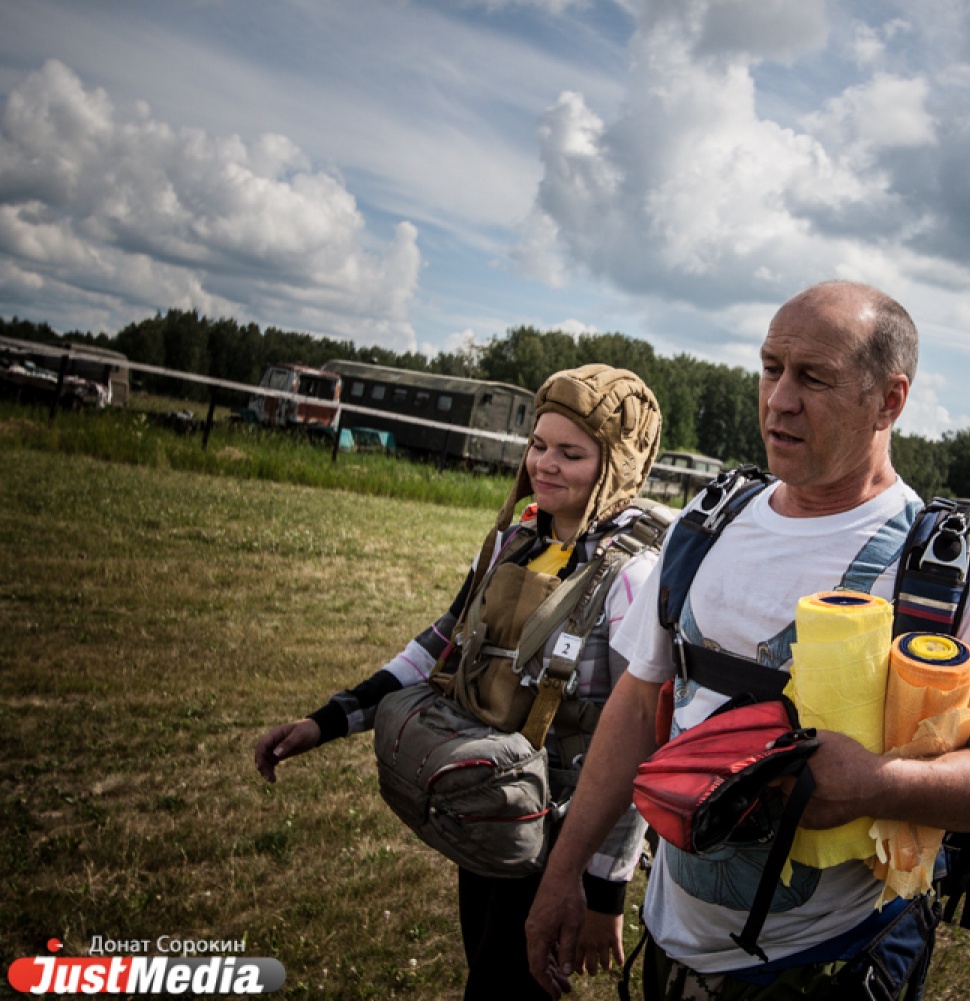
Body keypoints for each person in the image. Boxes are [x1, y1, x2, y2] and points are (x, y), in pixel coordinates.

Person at [525, 281, 970, 999]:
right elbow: (636, 703)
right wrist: (565, 870)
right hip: (670, 947)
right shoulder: (706, 523)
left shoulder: (946, 570)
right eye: (770, 367)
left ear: (889, 401)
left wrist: (877, 784)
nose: (779, 399)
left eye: (814, 377)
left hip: (830, 965)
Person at [253, 365, 665, 1001]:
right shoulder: (514, 541)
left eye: (571, 453)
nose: (544, 464)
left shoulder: (635, 577)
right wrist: (327, 722)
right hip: (490, 816)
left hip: (562, 840)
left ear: (617, 467)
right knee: (485, 972)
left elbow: (637, 740)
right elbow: (440, 645)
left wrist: (605, 889)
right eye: (538, 445)